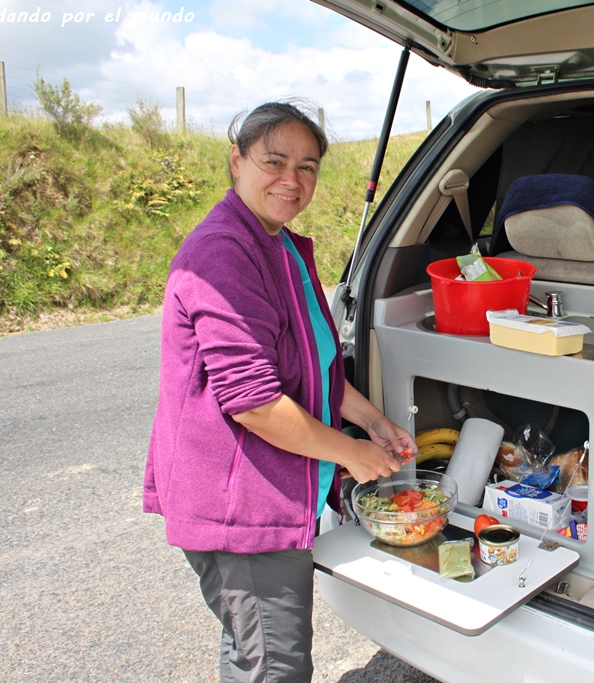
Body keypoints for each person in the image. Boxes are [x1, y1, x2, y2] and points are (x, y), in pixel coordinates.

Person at [142, 100, 415, 683]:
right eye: (274, 160)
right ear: (236, 161)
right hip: (239, 505)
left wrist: (371, 421)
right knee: (274, 664)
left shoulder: (280, 243)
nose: (292, 179)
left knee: (252, 650)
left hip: (265, 492)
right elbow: (255, 403)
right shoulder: (224, 252)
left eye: (309, 166)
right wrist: (353, 454)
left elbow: (311, 363)